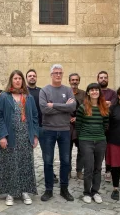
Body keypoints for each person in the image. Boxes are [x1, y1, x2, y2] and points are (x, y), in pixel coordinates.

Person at [0, 70, 39, 206]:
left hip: (26, 136)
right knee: (10, 164)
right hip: (10, 137)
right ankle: (10, 193)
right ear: (11, 80)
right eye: (15, 78)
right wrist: (2, 136)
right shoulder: (4, 97)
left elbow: (35, 117)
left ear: (22, 81)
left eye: (20, 78)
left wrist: (35, 135)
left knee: (25, 163)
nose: (18, 81)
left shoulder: (29, 97)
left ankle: (24, 191)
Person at [39, 64, 76, 202]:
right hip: (48, 130)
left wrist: (53, 105)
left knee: (65, 161)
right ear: (51, 74)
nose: (58, 75)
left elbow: (72, 107)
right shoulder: (45, 90)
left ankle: (64, 189)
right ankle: (49, 190)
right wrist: (64, 106)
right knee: (48, 161)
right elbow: (44, 109)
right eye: (56, 73)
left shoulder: (68, 90)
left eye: (60, 73)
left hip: (65, 130)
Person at [76, 83, 109, 204]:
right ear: (88, 93)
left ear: (99, 92)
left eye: (96, 90)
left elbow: (106, 124)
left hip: (100, 140)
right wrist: (83, 138)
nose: (94, 92)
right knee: (88, 168)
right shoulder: (82, 108)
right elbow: (78, 126)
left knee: (98, 168)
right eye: (92, 90)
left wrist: (99, 135)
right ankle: (86, 192)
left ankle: (95, 191)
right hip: (86, 141)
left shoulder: (103, 107)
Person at [26, 69, 58, 184]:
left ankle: (50, 173)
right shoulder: (23, 92)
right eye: (30, 76)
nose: (32, 77)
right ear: (26, 78)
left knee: (47, 153)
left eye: (34, 75)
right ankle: (27, 175)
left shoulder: (42, 91)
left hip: (43, 126)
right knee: (27, 153)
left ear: (36, 77)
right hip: (28, 127)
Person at [97, 70, 117, 183]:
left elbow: (113, 105)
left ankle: (108, 171)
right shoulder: (94, 91)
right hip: (96, 124)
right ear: (98, 79)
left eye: (105, 77)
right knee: (97, 149)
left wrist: (103, 104)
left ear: (108, 79)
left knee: (109, 149)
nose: (103, 79)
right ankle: (96, 170)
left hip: (110, 126)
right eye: (101, 77)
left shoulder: (113, 93)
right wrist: (105, 103)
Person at [68, 73, 85, 180]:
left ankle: (79, 171)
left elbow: (88, 108)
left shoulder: (84, 94)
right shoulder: (65, 92)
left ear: (79, 81)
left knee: (82, 150)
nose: (74, 81)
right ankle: (68, 171)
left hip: (81, 125)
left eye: (76, 80)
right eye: (72, 80)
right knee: (67, 150)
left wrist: (78, 118)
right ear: (69, 81)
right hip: (67, 125)